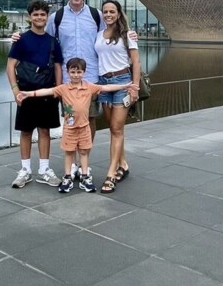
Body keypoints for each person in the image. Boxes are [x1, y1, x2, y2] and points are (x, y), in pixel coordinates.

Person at [17, 57, 137, 194]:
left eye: (79, 72)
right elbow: (47, 91)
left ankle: (85, 177)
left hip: (84, 128)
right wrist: (28, 94)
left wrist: (124, 86)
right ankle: (68, 177)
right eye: (72, 72)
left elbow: (106, 87)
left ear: (84, 72)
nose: (76, 75)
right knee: (69, 152)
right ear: (68, 72)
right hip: (70, 129)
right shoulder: (63, 88)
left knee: (84, 152)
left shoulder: (89, 87)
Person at [6, 0, 64, 189]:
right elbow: (10, 66)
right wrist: (15, 90)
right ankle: (25, 170)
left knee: (45, 130)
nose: (39, 17)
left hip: (47, 92)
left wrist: (59, 89)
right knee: (26, 131)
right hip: (25, 92)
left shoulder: (52, 41)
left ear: (47, 17)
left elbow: (57, 67)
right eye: (36, 14)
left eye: (43, 14)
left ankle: (44, 169)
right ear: (30, 16)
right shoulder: (21, 39)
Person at [96, 0, 140, 194]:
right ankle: (123, 164)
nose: (108, 15)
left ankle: (111, 174)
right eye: (105, 11)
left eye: (112, 11)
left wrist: (135, 87)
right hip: (104, 85)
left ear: (119, 13)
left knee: (116, 128)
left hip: (122, 82)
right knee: (113, 128)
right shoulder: (98, 35)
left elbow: (136, 63)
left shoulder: (127, 35)